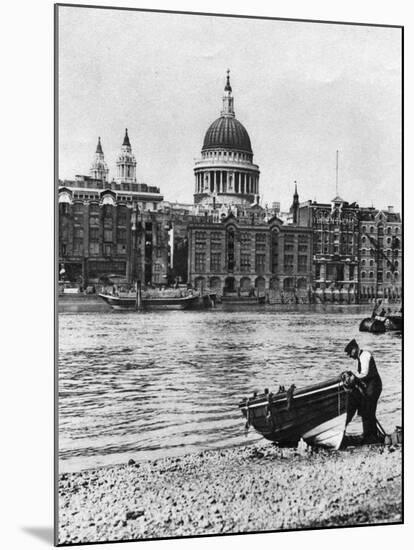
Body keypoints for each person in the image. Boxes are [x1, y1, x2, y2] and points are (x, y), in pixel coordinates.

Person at [344, 338, 383, 443]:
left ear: (355, 348)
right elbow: (359, 373)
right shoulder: (359, 358)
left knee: (368, 410)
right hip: (369, 386)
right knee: (366, 410)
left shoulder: (365, 356)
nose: (350, 355)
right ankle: (369, 434)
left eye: (350, 352)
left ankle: (371, 436)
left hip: (374, 386)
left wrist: (354, 376)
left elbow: (364, 374)